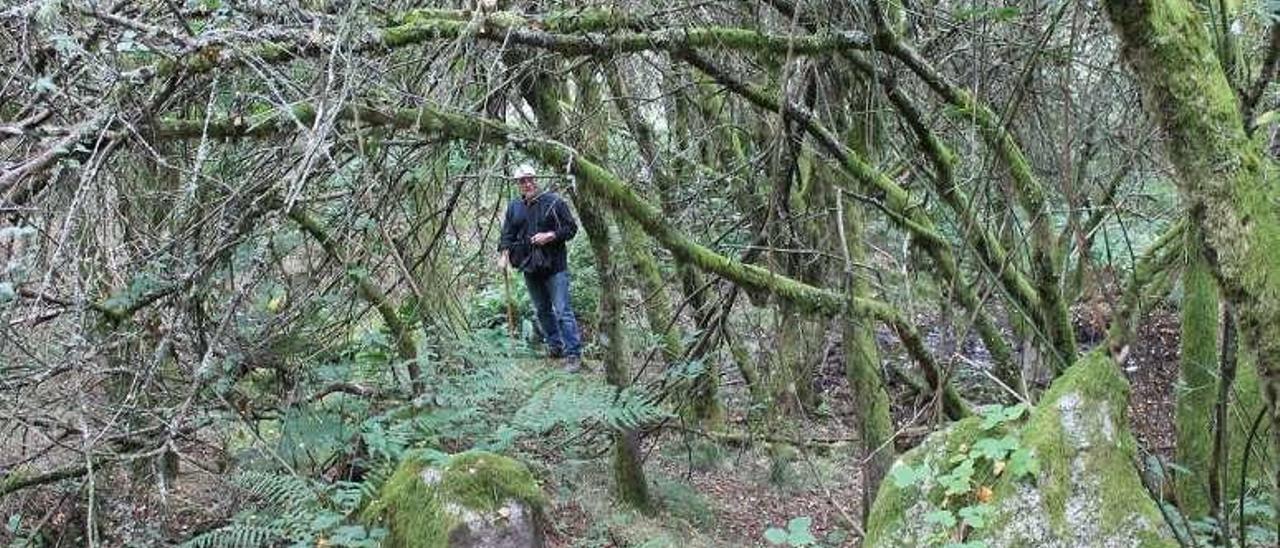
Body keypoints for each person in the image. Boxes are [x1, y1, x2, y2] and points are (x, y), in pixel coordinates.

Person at [497, 163, 584, 372]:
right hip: (530, 266)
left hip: (555, 266)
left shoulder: (554, 202)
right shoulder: (514, 207)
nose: (527, 184)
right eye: (522, 181)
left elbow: (571, 228)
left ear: (536, 179)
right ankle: (555, 346)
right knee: (542, 310)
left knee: (562, 310)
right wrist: (503, 254)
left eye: (530, 179)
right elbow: (507, 234)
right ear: (518, 184)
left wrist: (550, 235)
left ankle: (574, 355)